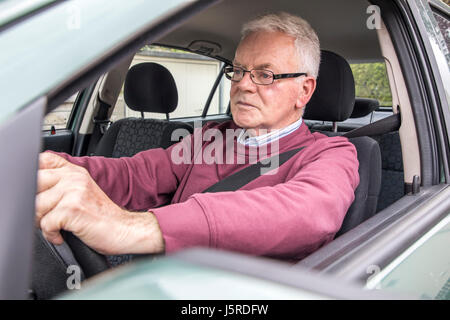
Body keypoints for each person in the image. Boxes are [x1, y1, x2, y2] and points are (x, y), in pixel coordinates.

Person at [36, 12, 359, 261]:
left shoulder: (332, 153)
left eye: (264, 74)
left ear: (304, 90)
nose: (243, 85)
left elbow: (307, 213)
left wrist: (129, 227)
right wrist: (50, 169)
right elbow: (136, 174)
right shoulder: (209, 139)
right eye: (239, 70)